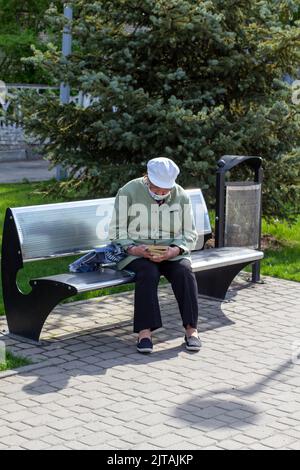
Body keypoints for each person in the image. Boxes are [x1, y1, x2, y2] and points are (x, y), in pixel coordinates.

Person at [109, 157, 201, 354]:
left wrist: (175, 250)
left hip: (171, 251)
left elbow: (190, 233)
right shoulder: (129, 191)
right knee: (148, 272)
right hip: (137, 252)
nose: (160, 194)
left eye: (165, 191)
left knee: (184, 271)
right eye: (156, 189)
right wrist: (133, 249)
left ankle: (191, 330)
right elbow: (117, 229)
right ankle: (145, 333)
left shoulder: (181, 195)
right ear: (147, 179)